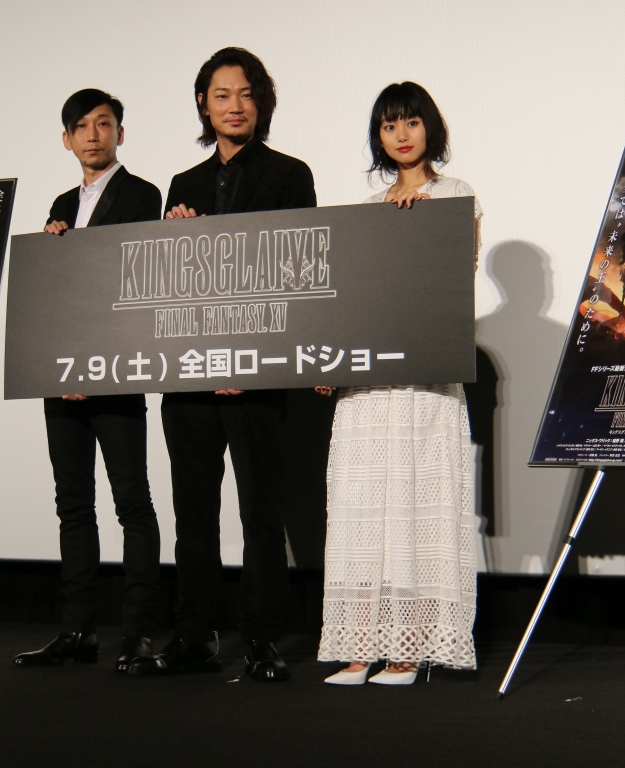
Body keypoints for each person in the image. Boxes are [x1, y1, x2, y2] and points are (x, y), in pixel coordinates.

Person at [128, 47, 315, 682]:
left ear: (262, 102)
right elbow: (169, 288)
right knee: (193, 511)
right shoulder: (182, 184)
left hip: (257, 371)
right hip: (189, 375)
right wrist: (175, 233)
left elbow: (298, 274)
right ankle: (194, 634)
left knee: (261, 512)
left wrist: (251, 361)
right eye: (221, 94)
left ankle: (262, 638)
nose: (235, 105)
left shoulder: (291, 175)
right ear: (204, 106)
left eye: (246, 93)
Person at [313, 82, 480, 686]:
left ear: (430, 127)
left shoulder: (455, 195)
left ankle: (410, 649)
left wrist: (419, 223)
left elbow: (455, 277)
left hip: (422, 385)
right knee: (362, 509)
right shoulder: (366, 211)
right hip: (367, 387)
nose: (401, 135)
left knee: (413, 507)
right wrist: (330, 364)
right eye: (389, 125)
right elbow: (352, 298)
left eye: (411, 122)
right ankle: (362, 646)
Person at [14, 89, 164, 671]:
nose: (93, 135)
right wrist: (53, 248)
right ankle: (78, 631)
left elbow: (127, 285)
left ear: (120, 134)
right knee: (73, 505)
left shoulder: (142, 194)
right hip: (62, 375)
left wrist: (92, 365)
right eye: (82, 126)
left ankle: (138, 632)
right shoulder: (60, 202)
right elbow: (59, 294)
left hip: (115, 372)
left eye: (104, 124)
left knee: (132, 504)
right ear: (67, 140)